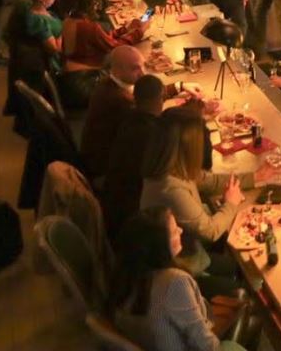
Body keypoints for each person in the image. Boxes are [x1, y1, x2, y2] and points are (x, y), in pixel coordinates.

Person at [140, 110, 248, 297]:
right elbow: (211, 231)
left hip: (191, 255)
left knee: (240, 267)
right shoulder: (170, 189)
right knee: (243, 285)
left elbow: (210, 181)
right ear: (188, 148)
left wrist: (257, 177)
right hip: (182, 272)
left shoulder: (170, 168)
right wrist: (231, 203)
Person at [110, 208, 248, 351]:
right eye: (175, 231)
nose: (181, 231)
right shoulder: (174, 282)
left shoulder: (126, 280)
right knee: (245, 309)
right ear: (160, 245)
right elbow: (204, 343)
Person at [103, 75, 168, 239]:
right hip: (136, 215)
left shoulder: (129, 118)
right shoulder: (153, 135)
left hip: (114, 203)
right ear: (160, 99)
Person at [82, 45, 146, 179]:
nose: (143, 73)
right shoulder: (120, 100)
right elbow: (150, 120)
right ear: (117, 71)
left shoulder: (109, 82)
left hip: (100, 159)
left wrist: (177, 87)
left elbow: (143, 97)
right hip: (108, 172)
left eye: (143, 66)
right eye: (135, 68)